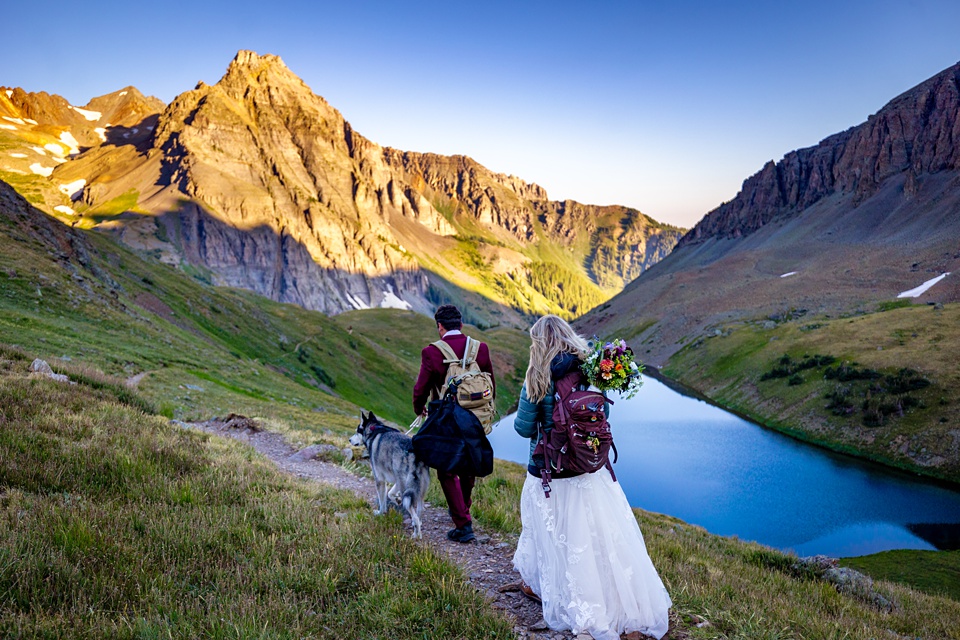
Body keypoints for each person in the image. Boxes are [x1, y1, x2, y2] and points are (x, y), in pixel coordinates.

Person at [512, 315, 671, 640]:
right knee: (599, 541)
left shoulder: (536, 377)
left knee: (558, 540)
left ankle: (562, 595)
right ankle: (623, 609)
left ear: (538, 343)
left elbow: (523, 428)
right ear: (570, 338)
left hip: (549, 474)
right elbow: (603, 414)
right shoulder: (590, 371)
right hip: (589, 471)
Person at [413, 304, 495, 543]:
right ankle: (463, 508)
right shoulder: (481, 349)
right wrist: (485, 411)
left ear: (440, 326)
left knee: (446, 468)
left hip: (448, 418)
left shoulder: (432, 352)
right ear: (461, 324)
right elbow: (491, 383)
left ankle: (463, 524)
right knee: (469, 461)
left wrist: (420, 410)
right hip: (476, 416)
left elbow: (421, 389)